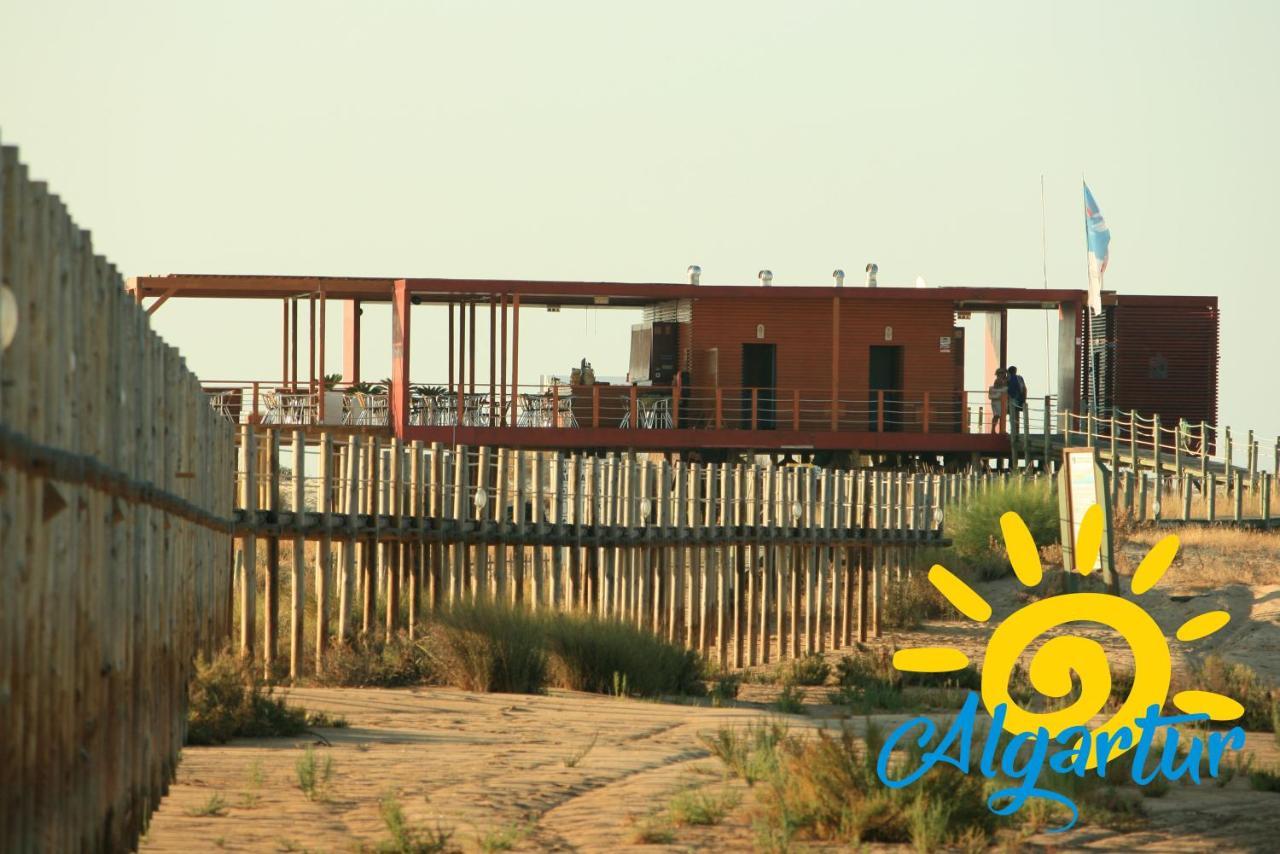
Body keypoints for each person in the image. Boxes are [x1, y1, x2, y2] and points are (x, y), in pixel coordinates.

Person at [1006, 365, 1027, 436]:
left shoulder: (1008, 379)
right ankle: (1016, 431)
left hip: (1011, 399)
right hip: (1019, 398)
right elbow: (1024, 389)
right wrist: (1024, 399)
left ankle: (1013, 431)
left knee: (1012, 416)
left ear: (1008, 372)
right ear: (1015, 371)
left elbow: (1006, 389)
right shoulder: (1020, 378)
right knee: (1016, 415)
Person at [987, 368, 1007, 434]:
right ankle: (1001, 430)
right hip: (998, 401)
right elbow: (999, 388)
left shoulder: (999, 380)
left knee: (996, 415)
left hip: (995, 401)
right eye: (1003, 373)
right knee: (1000, 415)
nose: (1004, 375)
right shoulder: (999, 380)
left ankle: (994, 430)